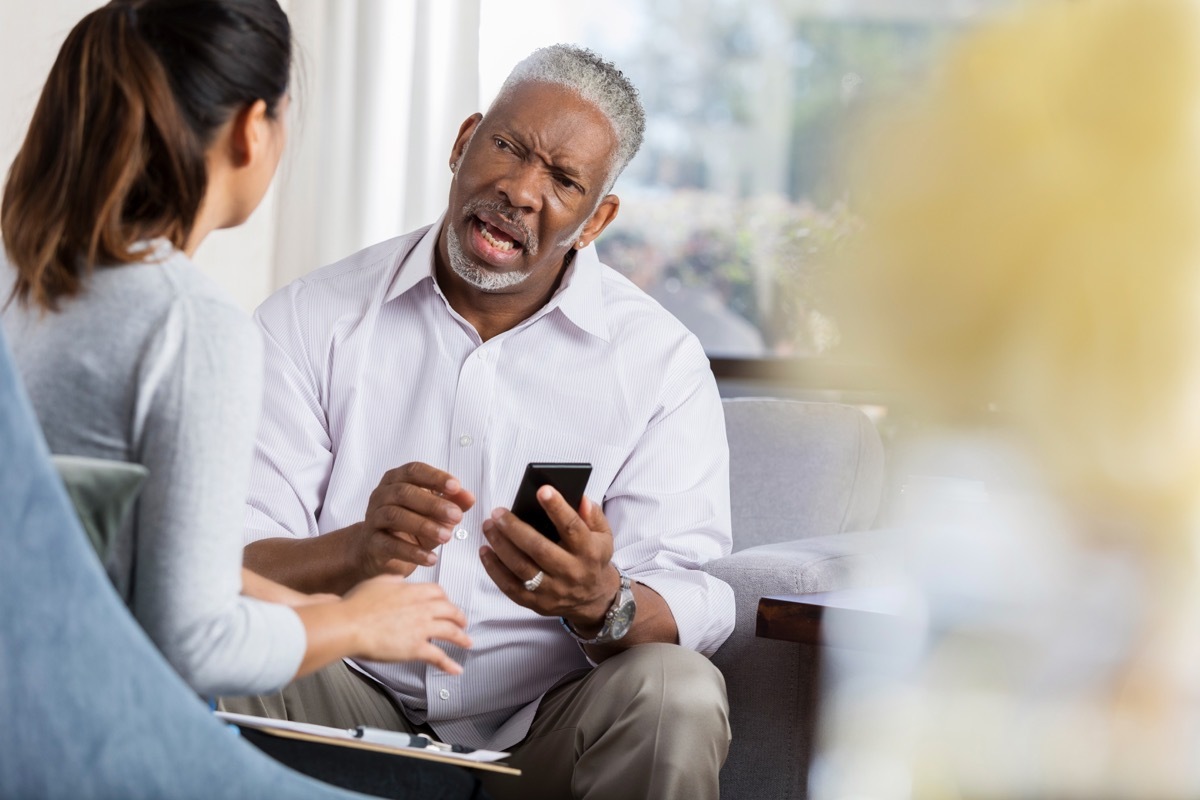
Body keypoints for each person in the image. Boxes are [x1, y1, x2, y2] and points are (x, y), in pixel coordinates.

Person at [222, 44, 735, 800]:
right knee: (206, 644)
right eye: (508, 147)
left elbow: (692, 593)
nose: (521, 191)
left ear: (596, 220)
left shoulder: (661, 362)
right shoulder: (311, 319)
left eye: (563, 180)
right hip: (342, 696)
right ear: (464, 142)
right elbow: (222, 565)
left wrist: (601, 601)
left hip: (544, 727)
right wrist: (353, 552)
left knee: (677, 691)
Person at [0, 2, 480, 797]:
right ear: (252, 128)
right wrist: (360, 622)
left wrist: (303, 599)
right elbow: (195, 641)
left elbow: (111, 555)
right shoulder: (190, 324)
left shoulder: (33, 290)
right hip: (109, 741)